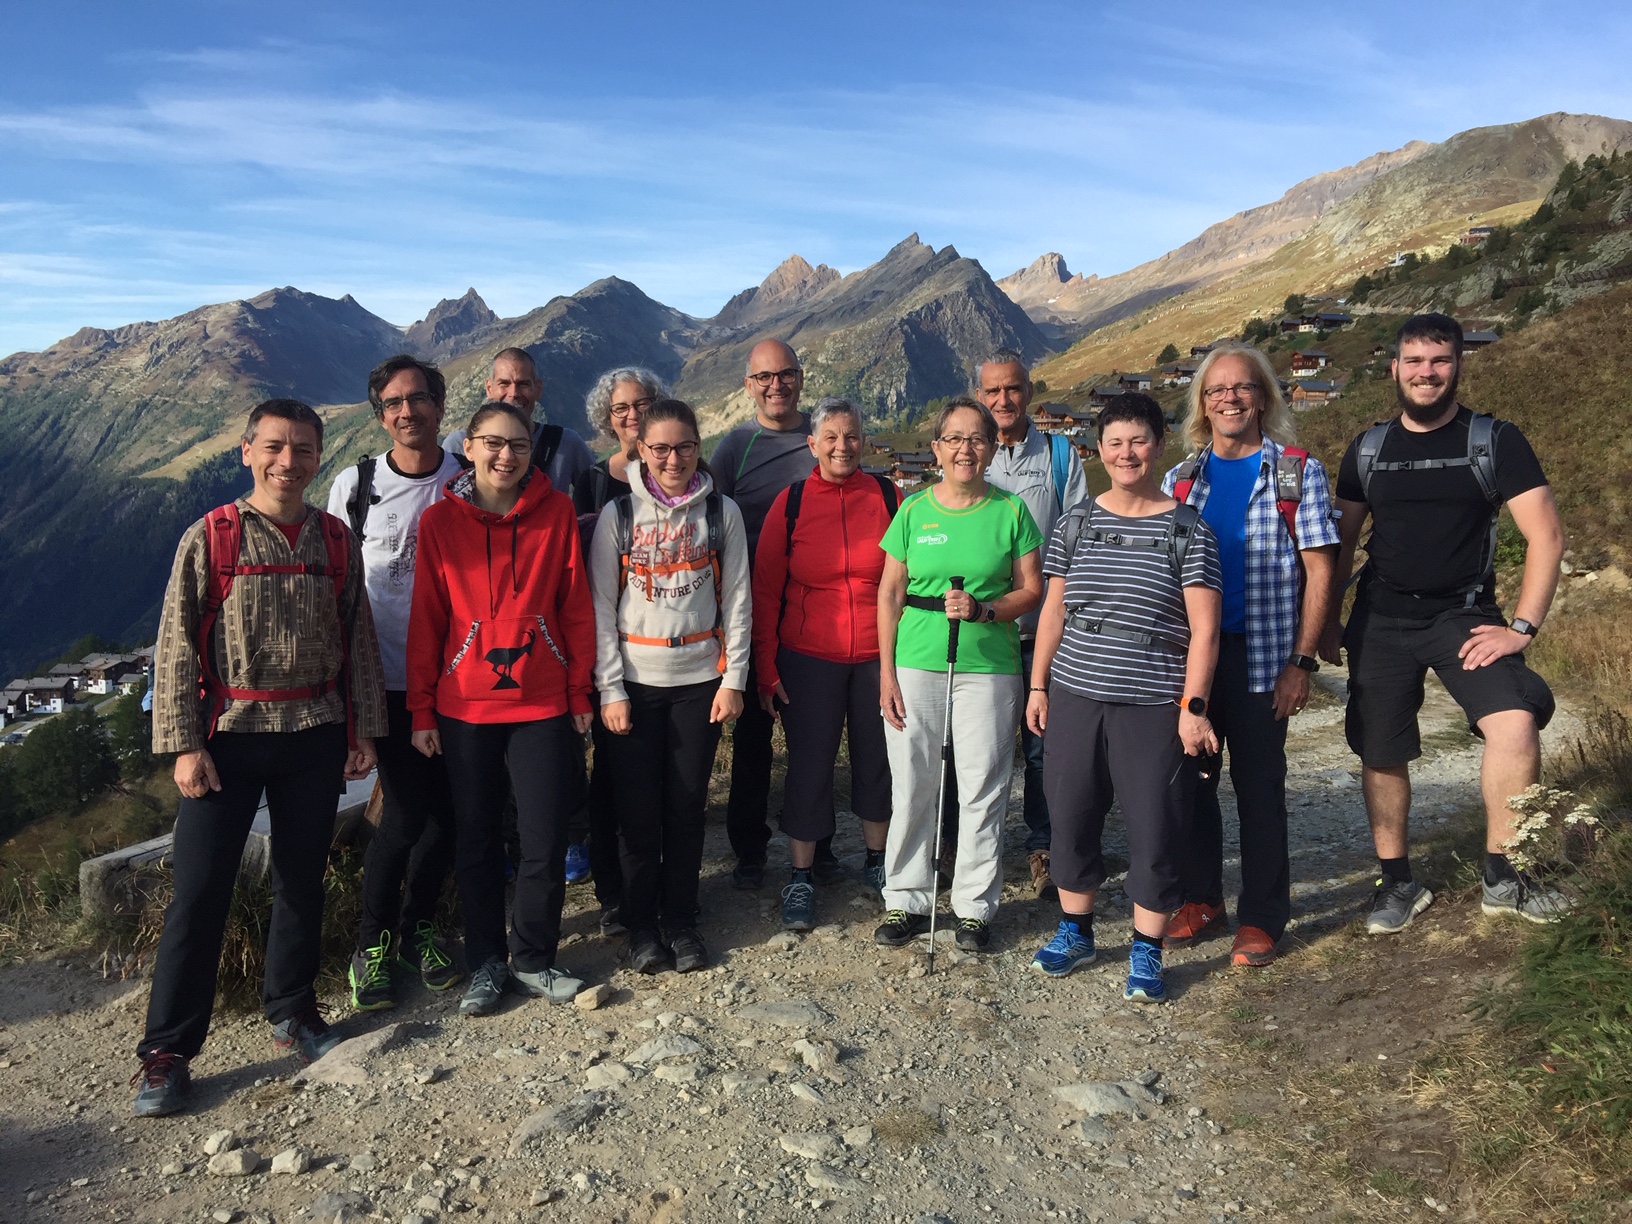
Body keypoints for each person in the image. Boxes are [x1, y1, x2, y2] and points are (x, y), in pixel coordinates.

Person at [134, 399, 386, 1117]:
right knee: (201, 892)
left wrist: (363, 727)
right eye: (275, 447)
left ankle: (293, 1009)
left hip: (315, 727)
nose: (288, 461)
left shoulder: (335, 539)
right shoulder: (210, 536)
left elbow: (357, 638)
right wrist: (183, 744)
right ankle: (167, 1050)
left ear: (318, 456)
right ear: (246, 450)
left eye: (303, 450)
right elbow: (176, 643)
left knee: (302, 880)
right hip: (228, 735)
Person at [1321, 313, 1565, 932]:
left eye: (1439, 360)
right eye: (1414, 361)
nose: (1426, 373)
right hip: (1381, 616)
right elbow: (1340, 546)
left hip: (1464, 616)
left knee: (1514, 723)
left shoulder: (1495, 441)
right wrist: (1324, 623)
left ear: (1459, 365)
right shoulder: (1369, 448)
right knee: (1380, 749)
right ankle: (1396, 883)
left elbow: (1547, 537)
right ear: (1394, 368)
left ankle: (1505, 876)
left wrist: (1522, 629)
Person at [1026, 393, 1222, 1003]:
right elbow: (1053, 610)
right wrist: (1038, 684)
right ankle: (1076, 928)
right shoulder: (1076, 523)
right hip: (1076, 691)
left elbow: (1205, 629)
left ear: (1159, 444)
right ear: (1100, 451)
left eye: (1138, 441)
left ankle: (1146, 947)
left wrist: (1193, 709)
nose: (1126, 453)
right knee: (1072, 814)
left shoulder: (1188, 529)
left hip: (1152, 701)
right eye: (1114, 442)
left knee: (1155, 825)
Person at [407, 400, 596, 1016]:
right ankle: (487, 960)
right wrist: (422, 710)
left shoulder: (557, 512)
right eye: (492, 443)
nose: (505, 455)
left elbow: (573, 606)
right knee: (479, 839)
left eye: (517, 445)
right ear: (469, 446)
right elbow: (428, 620)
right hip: (465, 707)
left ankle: (534, 956)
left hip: (541, 701)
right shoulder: (439, 523)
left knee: (543, 837)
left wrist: (578, 691)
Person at [1159, 344, 1340, 967]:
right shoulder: (1181, 480)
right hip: (1196, 662)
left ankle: (1262, 917)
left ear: (1262, 397)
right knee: (1189, 785)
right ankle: (1202, 898)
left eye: (1241, 389)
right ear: (1202, 406)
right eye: (1216, 391)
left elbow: (1321, 571)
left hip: (1266, 662)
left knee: (1260, 788)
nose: (1229, 399)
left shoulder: (1296, 472)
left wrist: (1302, 662)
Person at [589, 399, 752, 973]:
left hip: (698, 681)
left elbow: (737, 600)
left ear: (698, 446)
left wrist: (733, 680)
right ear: (641, 450)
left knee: (685, 806)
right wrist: (609, 690)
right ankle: (640, 925)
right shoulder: (619, 516)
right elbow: (601, 608)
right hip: (635, 682)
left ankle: (681, 919)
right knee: (637, 814)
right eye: (659, 448)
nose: (672, 458)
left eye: (684, 446)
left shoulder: (720, 513)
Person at [876, 397, 1043, 952]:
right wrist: (886, 674)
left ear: (992, 448)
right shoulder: (913, 510)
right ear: (937, 448)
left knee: (982, 786)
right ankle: (905, 898)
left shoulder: (1011, 511)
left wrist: (986, 610)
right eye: (954, 438)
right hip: (915, 660)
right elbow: (890, 593)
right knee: (913, 781)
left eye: (977, 438)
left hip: (989, 665)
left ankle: (974, 906)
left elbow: (1031, 590)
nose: (965, 448)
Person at [328, 355, 466, 1009]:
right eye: (392, 403)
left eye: (418, 399)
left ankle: (417, 932)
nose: (406, 412)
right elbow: (334, 588)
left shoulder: (467, 481)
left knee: (448, 815)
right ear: (379, 413)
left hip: (459, 678)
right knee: (409, 811)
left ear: (441, 405)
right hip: (382, 677)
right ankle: (373, 944)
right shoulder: (355, 486)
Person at [752, 397, 897, 931]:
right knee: (809, 766)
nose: (843, 446)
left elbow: (907, 580)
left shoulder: (887, 495)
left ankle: (878, 863)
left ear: (864, 440)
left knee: (876, 759)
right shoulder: (789, 503)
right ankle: (800, 875)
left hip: (878, 656)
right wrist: (765, 670)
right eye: (831, 437)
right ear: (811, 444)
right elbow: (766, 593)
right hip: (807, 657)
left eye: (852, 435)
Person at [711, 339, 843, 889]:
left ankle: (821, 843)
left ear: (801, 377)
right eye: (764, 377)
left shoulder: (823, 437)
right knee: (753, 736)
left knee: (814, 734)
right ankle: (748, 847)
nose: (776, 385)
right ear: (749, 385)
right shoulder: (735, 446)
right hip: (754, 607)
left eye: (785, 374)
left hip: (817, 611)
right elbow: (710, 521)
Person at [976, 347, 1089, 899]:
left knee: (1046, 747)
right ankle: (975, 849)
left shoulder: (1061, 456)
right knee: (984, 746)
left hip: (1047, 632)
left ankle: (1045, 848)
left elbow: (1080, 539)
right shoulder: (969, 454)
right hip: (984, 632)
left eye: (1013, 388)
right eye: (993, 390)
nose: (1003, 399)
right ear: (980, 396)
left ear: (1030, 391)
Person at [570, 366, 671, 934]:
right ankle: (615, 894)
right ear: (606, 421)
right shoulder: (590, 482)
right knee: (609, 775)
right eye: (621, 410)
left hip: (666, 648)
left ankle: (658, 883)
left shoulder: (683, 472)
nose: (633, 416)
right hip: (609, 643)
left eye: (643, 404)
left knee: (659, 779)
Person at [443, 347, 596, 496]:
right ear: (489, 388)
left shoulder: (567, 444)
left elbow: (595, 502)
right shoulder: (457, 446)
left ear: (538, 389)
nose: (514, 393)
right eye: (504, 384)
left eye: (523, 384)